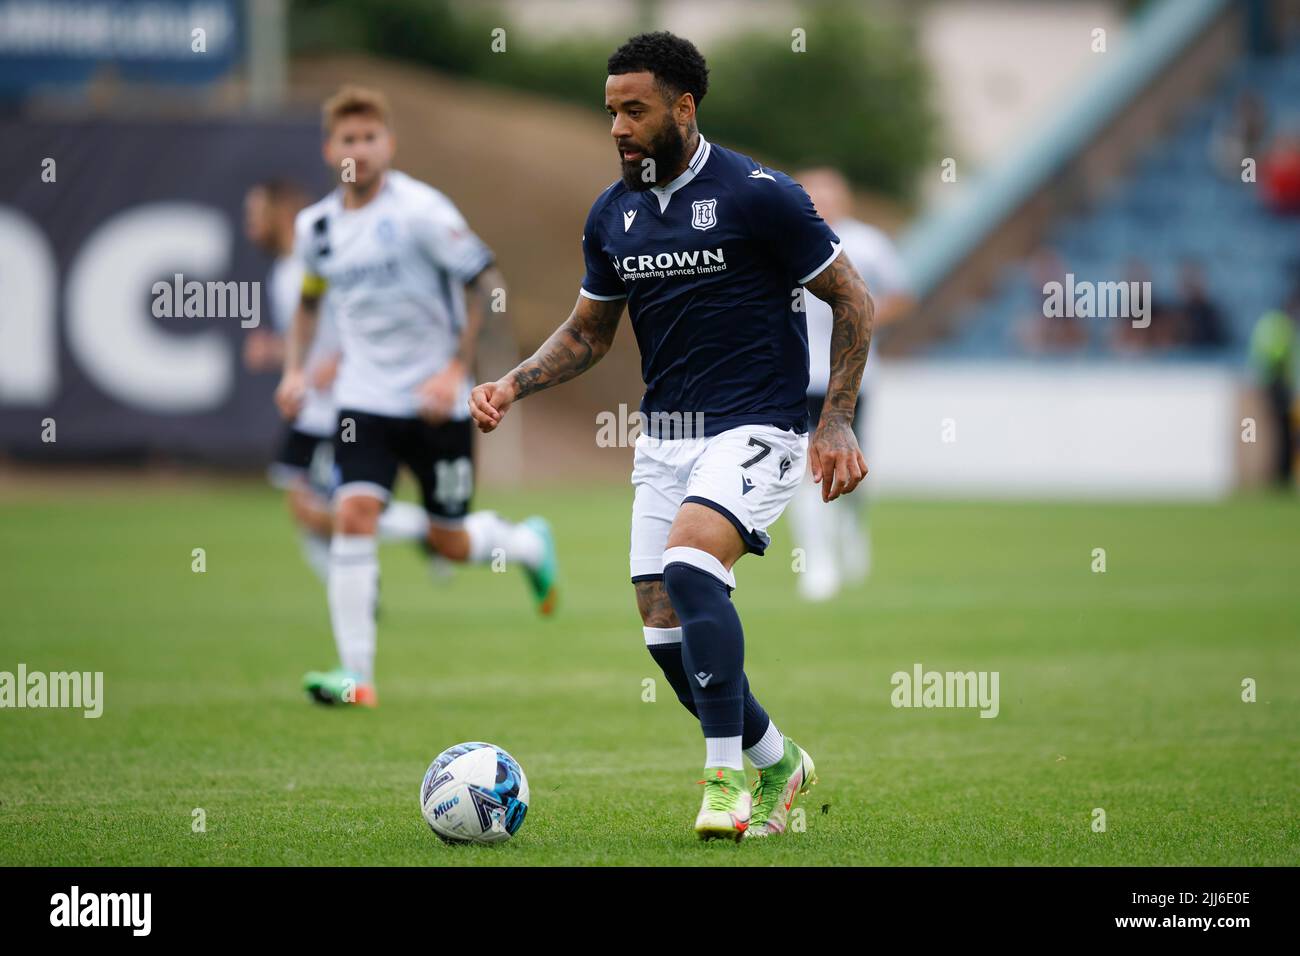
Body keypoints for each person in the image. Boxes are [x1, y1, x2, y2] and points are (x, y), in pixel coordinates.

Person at [469, 33, 873, 840]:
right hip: (665, 439)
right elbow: (590, 334)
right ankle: (777, 760)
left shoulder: (760, 194)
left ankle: (723, 781)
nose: (618, 126)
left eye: (635, 110)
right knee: (664, 639)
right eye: (611, 110)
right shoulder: (612, 214)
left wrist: (834, 419)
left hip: (759, 425)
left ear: (684, 109)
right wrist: (513, 383)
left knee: (692, 568)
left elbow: (852, 298)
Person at [275, 86, 558, 708]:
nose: (360, 150)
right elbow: (309, 302)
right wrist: (295, 371)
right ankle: (358, 676)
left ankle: (529, 545)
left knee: (450, 543)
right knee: (353, 514)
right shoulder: (316, 227)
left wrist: (453, 369)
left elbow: (486, 283)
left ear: (389, 145)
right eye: (348, 139)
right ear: (330, 149)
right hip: (363, 402)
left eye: (370, 138)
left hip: (437, 404)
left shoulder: (422, 212)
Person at [244, 179, 430, 586]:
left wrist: (341, 358)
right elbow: (309, 342)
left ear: (278, 215)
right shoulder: (285, 270)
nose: (249, 226)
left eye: (256, 215)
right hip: (312, 409)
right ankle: (363, 585)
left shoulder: (321, 264)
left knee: (332, 510)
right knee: (310, 513)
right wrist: (277, 351)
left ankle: (427, 533)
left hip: (342, 406)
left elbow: (363, 316)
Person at [790, 167, 912, 600]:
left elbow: (900, 294)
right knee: (806, 469)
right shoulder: (784, 240)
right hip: (801, 376)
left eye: (829, 194)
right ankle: (817, 563)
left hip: (854, 376)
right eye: (813, 194)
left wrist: (859, 319)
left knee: (854, 466)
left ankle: (853, 528)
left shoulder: (868, 244)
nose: (822, 201)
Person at [1249, 283, 1299, 486]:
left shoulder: (1270, 322)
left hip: (1273, 383)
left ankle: (1281, 473)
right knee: (1284, 432)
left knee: (1281, 432)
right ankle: (1282, 473)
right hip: (1278, 384)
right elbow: (1275, 356)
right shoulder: (1281, 325)